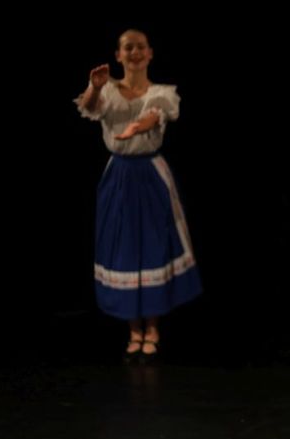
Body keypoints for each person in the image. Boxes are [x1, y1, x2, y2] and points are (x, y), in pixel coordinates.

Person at [75, 29, 202, 361]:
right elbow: (90, 108)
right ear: (118, 55)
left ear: (150, 53)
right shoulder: (107, 90)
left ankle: (153, 328)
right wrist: (96, 87)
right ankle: (134, 329)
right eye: (128, 47)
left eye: (140, 47)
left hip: (150, 174)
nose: (134, 52)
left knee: (154, 246)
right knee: (124, 247)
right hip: (119, 175)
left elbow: (153, 116)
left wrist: (136, 127)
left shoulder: (161, 93)